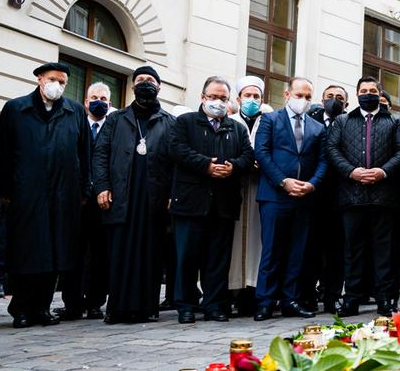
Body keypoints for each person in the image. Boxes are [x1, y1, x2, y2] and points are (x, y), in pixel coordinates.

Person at [0, 62, 91, 328]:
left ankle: (43, 307)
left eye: (62, 82)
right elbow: (3, 152)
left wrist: (84, 189)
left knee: (55, 253)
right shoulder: (16, 109)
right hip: (26, 192)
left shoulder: (74, 112)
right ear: (39, 79)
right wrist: (1, 190)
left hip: (63, 193)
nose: (57, 85)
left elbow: (84, 153)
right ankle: (22, 308)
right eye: (52, 79)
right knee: (27, 252)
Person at [168, 76, 254, 324]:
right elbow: (176, 149)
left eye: (223, 98)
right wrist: (205, 165)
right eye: (214, 97)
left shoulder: (237, 128)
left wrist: (233, 167)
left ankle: (214, 305)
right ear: (203, 97)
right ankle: (185, 305)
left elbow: (248, 156)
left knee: (217, 259)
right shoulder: (185, 122)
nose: (218, 102)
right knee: (187, 257)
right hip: (191, 201)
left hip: (223, 204)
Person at [93, 66, 176, 324]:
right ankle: (116, 308)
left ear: (159, 87)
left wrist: (173, 193)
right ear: (132, 87)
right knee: (119, 252)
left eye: (150, 80)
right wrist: (102, 186)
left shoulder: (168, 121)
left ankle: (146, 308)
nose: (145, 84)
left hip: (154, 197)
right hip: (121, 194)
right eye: (140, 80)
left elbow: (176, 161)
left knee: (149, 253)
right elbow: (101, 153)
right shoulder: (116, 119)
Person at [326, 76, 400, 316]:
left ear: (379, 93)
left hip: (384, 197)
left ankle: (385, 299)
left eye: (373, 90)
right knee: (353, 251)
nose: (368, 93)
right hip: (351, 197)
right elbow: (332, 149)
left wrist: (383, 171)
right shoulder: (343, 121)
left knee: (384, 252)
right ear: (357, 94)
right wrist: (352, 172)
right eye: (363, 90)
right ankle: (351, 299)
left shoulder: (394, 122)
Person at [252, 77, 328, 321]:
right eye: (299, 95)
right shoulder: (270, 120)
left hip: (305, 198)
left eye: (308, 97)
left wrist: (312, 184)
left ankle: (290, 300)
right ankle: (265, 301)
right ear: (287, 95)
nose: (303, 100)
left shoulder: (317, 128)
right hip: (275, 195)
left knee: (298, 251)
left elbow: (323, 161)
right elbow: (262, 153)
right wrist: (283, 181)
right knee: (272, 249)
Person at [55, 82, 113, 321]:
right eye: (94, 97)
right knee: (73, 252)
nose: (98, 101)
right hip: (76, 200)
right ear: (86, 101)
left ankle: (96, 302)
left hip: (103, 201)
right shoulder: (75, 125)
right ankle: (72, 302)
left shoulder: (113, 127)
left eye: (103, 98)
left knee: (100, 254)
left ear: (109, 104)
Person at [304, 84, 348, 314]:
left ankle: (332, 296)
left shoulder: (349, 123)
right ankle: (309, 296)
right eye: (329, 96)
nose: (334, 100)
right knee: (311, 248)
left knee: (336, 251)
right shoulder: (310, 121)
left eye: (339, 98)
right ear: (322, 100)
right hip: (312, 193)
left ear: (346, 104)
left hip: (339, 196)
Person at [228, 75, 270, 316]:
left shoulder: (268, 122)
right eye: (248, 96)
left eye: (256, 96)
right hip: (236, 188)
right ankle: (233, 290)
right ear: (239, 98)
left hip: (260, 188)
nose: (252, 100)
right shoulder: (231, 121)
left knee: (257, 240)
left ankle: (254, 291)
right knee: (233, 242)